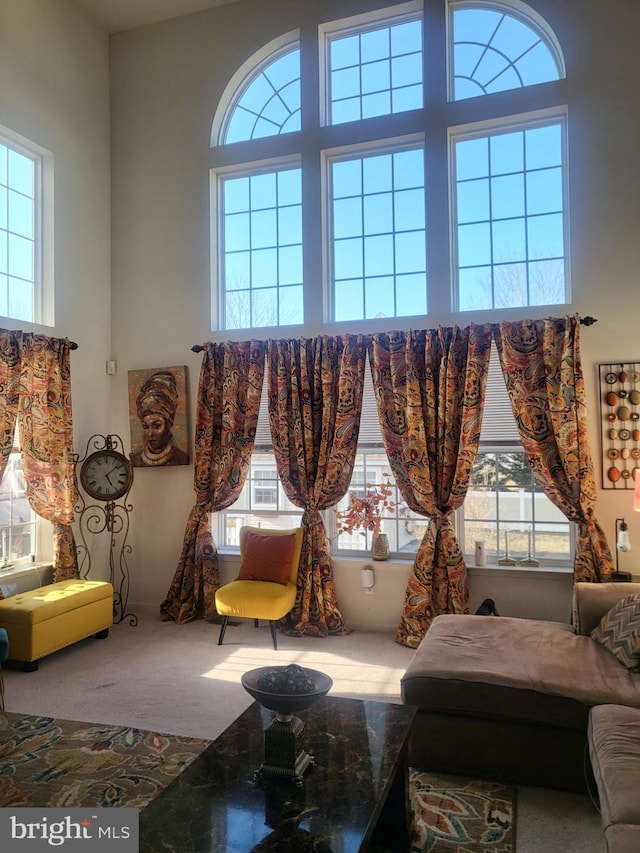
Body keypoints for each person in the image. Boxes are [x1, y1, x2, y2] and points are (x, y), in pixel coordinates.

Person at [130, 371, 189, 467]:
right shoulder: (135, 460)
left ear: (168, 424)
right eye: (145, 426)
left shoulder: (181, 458)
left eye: (156, 426)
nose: (150, 433)